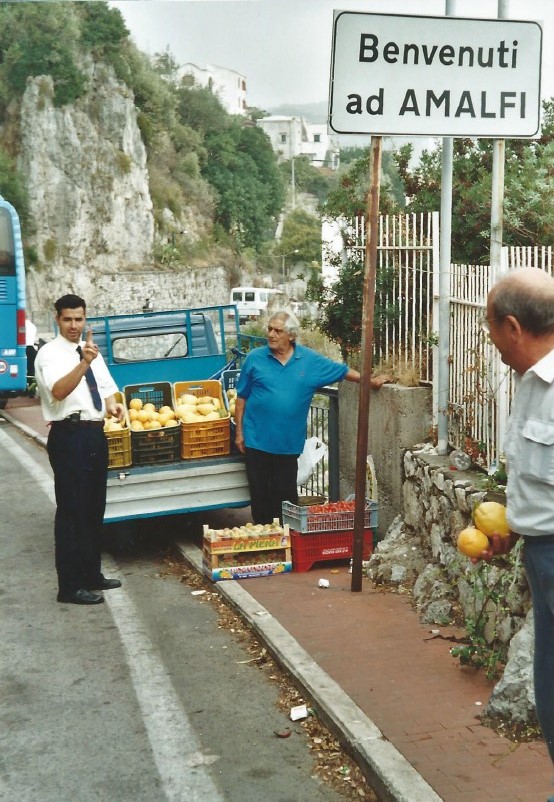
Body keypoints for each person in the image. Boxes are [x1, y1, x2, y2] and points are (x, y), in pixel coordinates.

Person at [478, 267, 554, 797]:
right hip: (541, 558)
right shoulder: (530, 383)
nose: (491, 341)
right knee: (550, 693)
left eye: (489, 329)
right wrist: (515, 524)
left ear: (512, 326)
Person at [234, 310, 389, 524]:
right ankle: (265, 543)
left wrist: (370, 381)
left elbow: (342, 371)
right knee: (260, 498)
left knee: (285, 499)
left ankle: (286, 543)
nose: (271, 334)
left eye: (277, 330)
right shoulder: (255, 359)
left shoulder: (309, 361)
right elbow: (241, 397)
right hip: (256, 441)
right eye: (269, 329)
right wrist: (239, 432)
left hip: (287, 445)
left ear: (291, 335)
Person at [35, 294, 125, 605]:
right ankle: (69, 586)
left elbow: (107, 388)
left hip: (94, 434)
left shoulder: (90, 351)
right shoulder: (49, 354)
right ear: (57, 319)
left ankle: (91, 574)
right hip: (69, 435)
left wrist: (113, 406)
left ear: (85, 318)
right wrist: (83, 361)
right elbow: (58, 392)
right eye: (68, 319)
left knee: (93, 508)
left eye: (79, 319)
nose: (74, 325)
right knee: (72, 513)